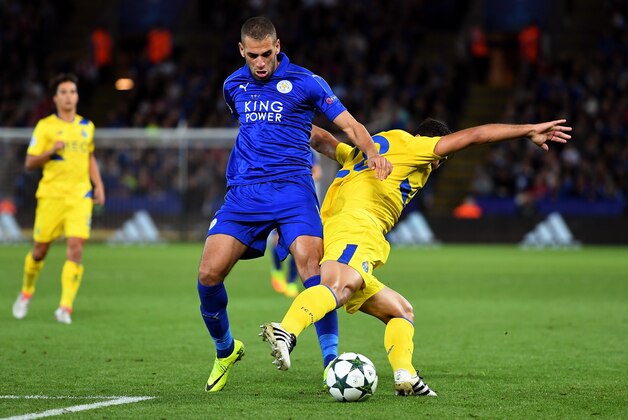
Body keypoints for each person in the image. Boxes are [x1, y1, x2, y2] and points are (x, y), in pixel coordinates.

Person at [261, 118, 572, 396]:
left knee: (401, 312)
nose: (437, 163)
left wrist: (280, 121)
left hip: (342, 229)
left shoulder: (375, 150)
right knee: (338, 287)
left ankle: (405, 375)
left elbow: (324, 141)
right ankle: (286, 331)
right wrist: (528, 130)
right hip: (357, 228)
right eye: (441, 157)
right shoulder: (416, 149)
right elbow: (477, 135)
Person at [197, 17, 392, 393]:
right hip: (244, 194)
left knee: (313, 273)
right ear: (242, 51)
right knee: (208, 275)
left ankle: (330, 361)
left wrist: (371, 153)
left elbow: (348, 124)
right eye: (252, 55)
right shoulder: (232, 86)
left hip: (293, 191)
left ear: (278, 47)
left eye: (267, 54)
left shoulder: (306, 82)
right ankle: (226, 349)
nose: (260, 62)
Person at [12, 73, 106, 325]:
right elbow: (30, 162)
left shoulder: (87, 126)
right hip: (51, 196)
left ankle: (65, 307)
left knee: (76, 248)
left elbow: (89, 157)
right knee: (40, 251)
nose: (68, 96)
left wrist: (98, 184)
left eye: (72, 92)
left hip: (79, 196)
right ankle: (26, 292)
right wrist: (50, 151)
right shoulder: (45, 126)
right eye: (63, 92)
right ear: (55, 98)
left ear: (77, 96)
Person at [270, 151, 322, 298]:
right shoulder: (281, 150)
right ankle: (277, 269)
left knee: (299, 244)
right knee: (277, 241)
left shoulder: (308, 152)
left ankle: (291, 281)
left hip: (302, 205)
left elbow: (318, 172)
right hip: (281, 201)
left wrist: (302, 180)